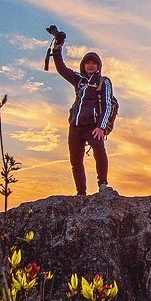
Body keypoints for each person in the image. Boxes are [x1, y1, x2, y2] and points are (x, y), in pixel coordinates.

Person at [50, 41, 116, 196]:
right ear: (83, 66)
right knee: (76, 161)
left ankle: (103, 185)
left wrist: (101, 126)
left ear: (98, 66)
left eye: (94, 63)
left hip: (93, 126)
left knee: (99, 152)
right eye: (88, 63)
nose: (90, 65)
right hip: (75, 126)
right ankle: (81, 193)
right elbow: (61, 69)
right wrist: (57, 48)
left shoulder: (103, 81)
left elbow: (108, 104)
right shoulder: (79, 80)